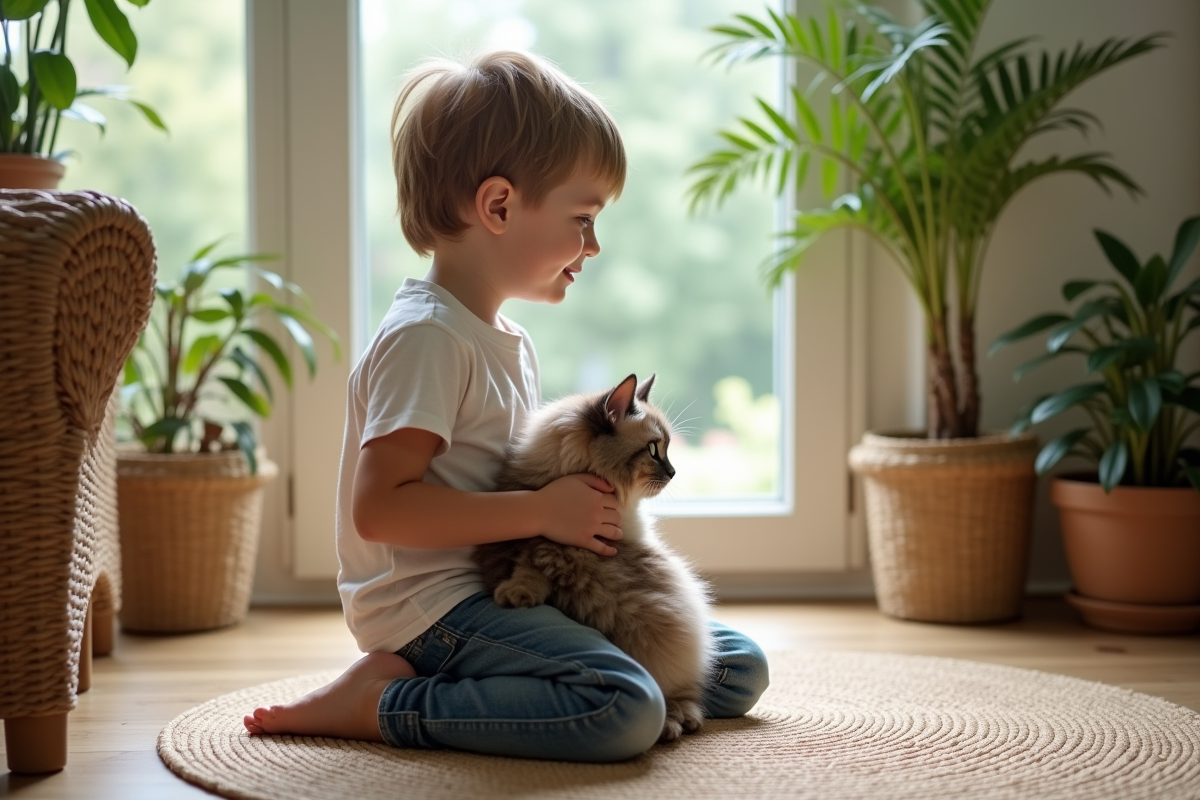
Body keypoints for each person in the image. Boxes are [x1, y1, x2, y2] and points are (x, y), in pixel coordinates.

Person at [243, 49, 768, 762]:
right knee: (625, 708)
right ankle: (385, 701)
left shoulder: (508, 342)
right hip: (435, 608)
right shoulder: (425, 340)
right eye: (582, 219)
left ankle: (533, 677)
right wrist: (544, 512)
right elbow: (381, 510)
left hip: (510, 586)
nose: (595, 244)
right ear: (497, 206)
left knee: (733, 668)